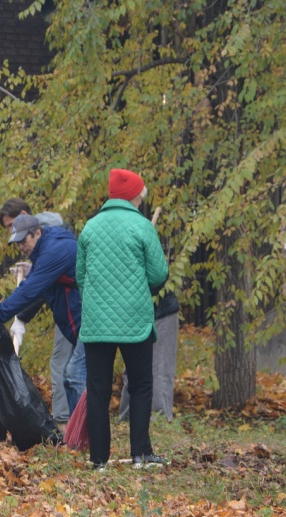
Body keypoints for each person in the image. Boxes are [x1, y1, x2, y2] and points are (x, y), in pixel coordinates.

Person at [76, 169, 169, 470]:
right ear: (133, 196)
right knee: (140, 384)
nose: (142, 200)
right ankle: (141, 454)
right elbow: (159, 273)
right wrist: (140, 287)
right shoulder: (142, 226)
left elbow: (80, 276)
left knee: (98, 389)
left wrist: (97, 299)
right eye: (141, 195)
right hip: (135, 320)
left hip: (97, 322)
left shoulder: (90, 227)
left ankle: (98, 459)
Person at [0, 213, 86, 413]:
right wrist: (20, 318)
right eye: (18, 243)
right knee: (71, 377)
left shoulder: (55, 250)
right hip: (81, 320)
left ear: (37, 233)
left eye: (24, 241)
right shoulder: (45, 250)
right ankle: (78, 428)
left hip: (92, 319)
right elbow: (32, 289)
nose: (21, 247)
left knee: (75, 375)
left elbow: (29, 291)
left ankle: (86, 429)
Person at [0, 197, 76, 426]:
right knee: (71, 365)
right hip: (68, 309)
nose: (12, 233)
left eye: (12, 225)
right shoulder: (48, 235)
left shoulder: (49, 236)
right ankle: (71, 417)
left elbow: (40, 286)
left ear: (24, 216)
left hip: (74, 310)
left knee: (66, 364)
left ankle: (65, 418)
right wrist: (33, 269)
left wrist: (21, 318)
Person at [118, 290, 179, 422]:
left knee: (137, 369)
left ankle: (128, 418)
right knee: (158, 369)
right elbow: (158, 278)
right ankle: (157, 421)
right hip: (155, 309)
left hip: (132, 310)